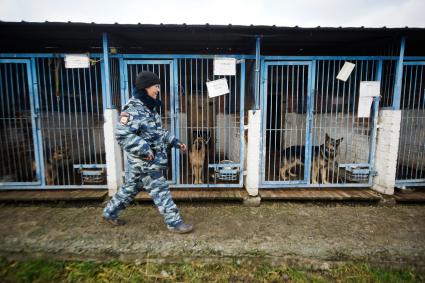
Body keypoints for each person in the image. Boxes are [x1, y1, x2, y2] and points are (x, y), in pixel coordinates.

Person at [102, 71, 193, 234]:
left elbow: (157, 132)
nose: (158, 90)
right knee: (161, 189)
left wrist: (174, 141)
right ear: (145, 87)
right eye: (156, 86)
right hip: (145, 161)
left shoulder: (149, 108)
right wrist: (144, 148)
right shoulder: (133, 109)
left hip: (145, 161)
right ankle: (174, 222)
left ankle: (110, 212)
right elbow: (122, 135)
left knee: (130, 188)